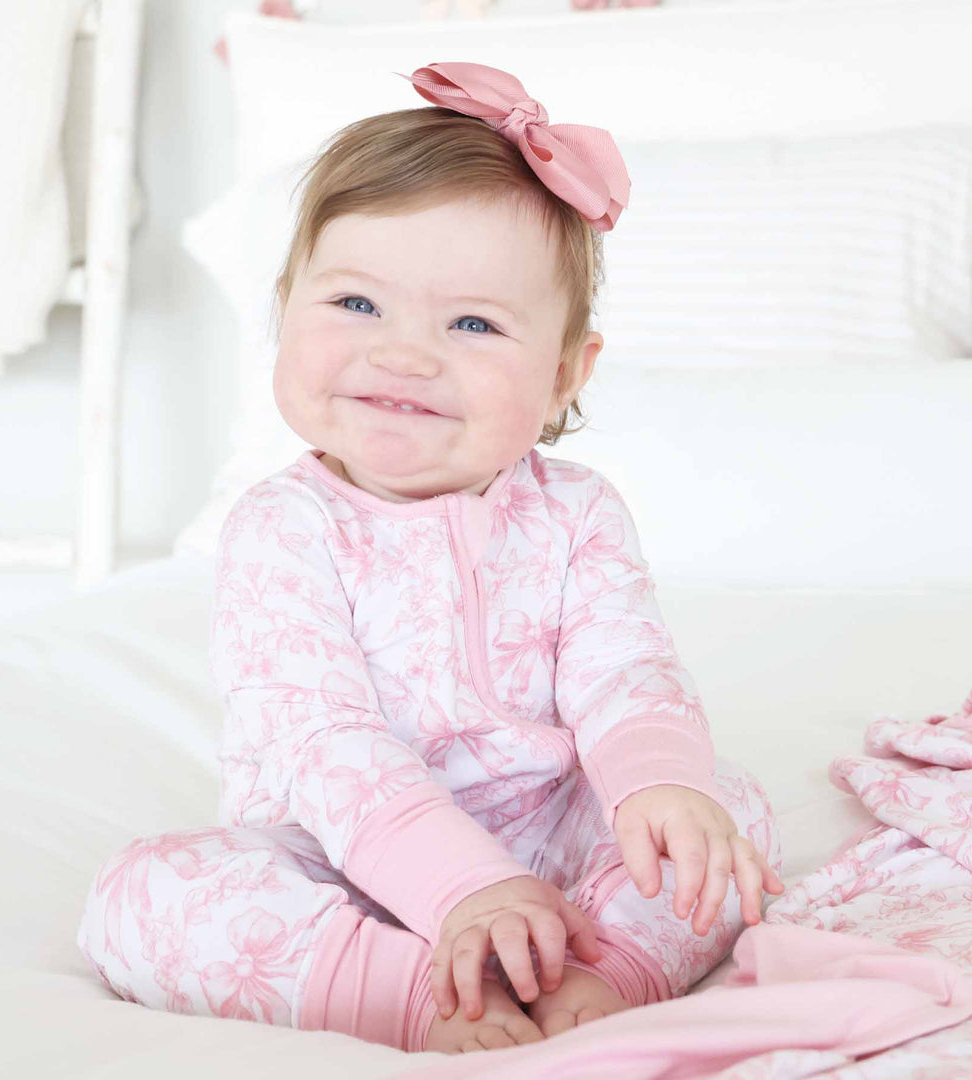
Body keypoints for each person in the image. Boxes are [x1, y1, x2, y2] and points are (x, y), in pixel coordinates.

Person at [76, 61, 784, 1056]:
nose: (405, 354)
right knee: (142, 898)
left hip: (554, 844)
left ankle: (600, 972)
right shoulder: (284, 529)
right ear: (284, 308)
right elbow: (320, 739)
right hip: (344, 862)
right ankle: (421, 994)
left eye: (473, 324)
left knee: (722, 807)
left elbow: (624, 669)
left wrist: (658, 782)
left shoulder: (577, 512)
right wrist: (462, 889)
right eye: (356, 304)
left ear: (564, 374)